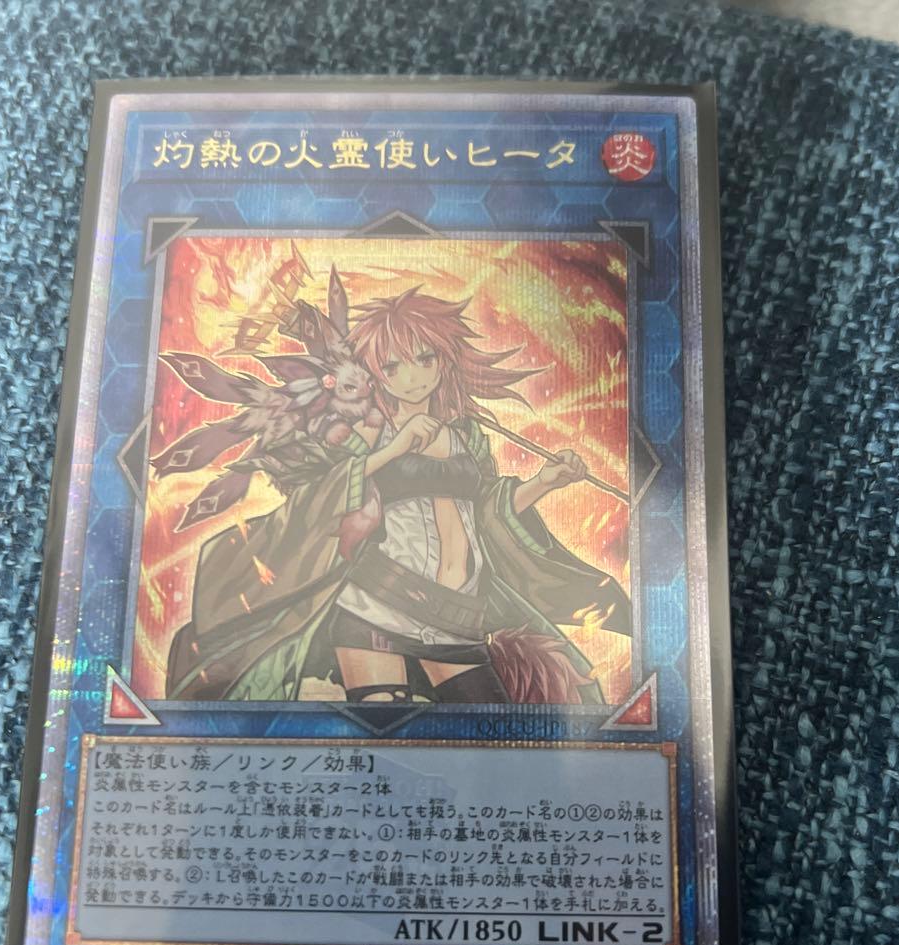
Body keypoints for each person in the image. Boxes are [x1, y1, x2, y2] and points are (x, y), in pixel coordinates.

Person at [164, 284, 630, 705]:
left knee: (484, 725)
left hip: (459, 618)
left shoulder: (465, 434)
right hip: (378, 605)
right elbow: (326, 495)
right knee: (382, 730)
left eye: (425, 359)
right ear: (375, 374)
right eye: (393, 366)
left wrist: (546, 481)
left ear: (444, 359)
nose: (413, 377)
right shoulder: (366, 431)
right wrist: (395, 449)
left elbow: (486, 513)